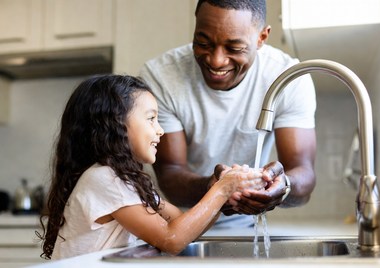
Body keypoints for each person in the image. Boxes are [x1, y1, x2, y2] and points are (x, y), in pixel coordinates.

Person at [38, 74, 270, 260]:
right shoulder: (104, 178)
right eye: (151, 119)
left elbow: (181, 223)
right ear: (116, 124)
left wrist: (222, 193)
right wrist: (222, 189)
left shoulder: (121, 179)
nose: (160, 130)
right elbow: (172, 239)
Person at [139, 0, 317, 225]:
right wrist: (215, 188)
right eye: (203, 43)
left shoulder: (288, 78)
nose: (216, 60)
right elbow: (170, 173)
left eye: (234, 48)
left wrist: (284, 185)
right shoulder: (161, 78)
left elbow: (303, 173)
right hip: (175, 222)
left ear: (262, 37)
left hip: (248, 226)